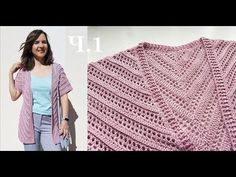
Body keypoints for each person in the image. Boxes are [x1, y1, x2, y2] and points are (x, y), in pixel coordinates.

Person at [9, 29, 73, 151]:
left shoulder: (57, 69)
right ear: (30, 46)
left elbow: (64, 94)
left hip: (51, 123)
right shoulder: (24, 71)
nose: (41, 45)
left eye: (44, 42)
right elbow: (14, 96)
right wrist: (10, 74)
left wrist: (65, 120)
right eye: (37, 42)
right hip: (30, 122)